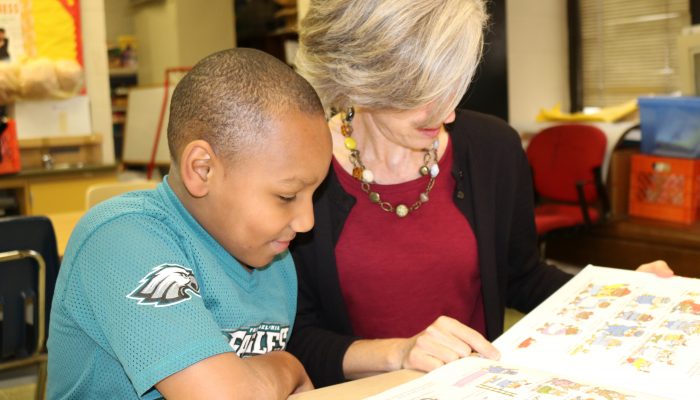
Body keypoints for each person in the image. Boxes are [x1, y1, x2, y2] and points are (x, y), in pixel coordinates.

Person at [286, 0, 674, 388]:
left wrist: (617, 294)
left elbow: (522, 276)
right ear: (358, 80)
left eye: (452, 88)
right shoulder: (300, 170)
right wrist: (400, 353)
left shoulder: (493, 148)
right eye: (420, 94)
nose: (446, 114)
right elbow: (295, 338)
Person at [47, 48, 332, 399]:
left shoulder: (274, 261)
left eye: (314, 194)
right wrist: (288, 366)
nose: (307, 221)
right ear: (202, 170)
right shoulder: (120, 238)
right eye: (287, 196)